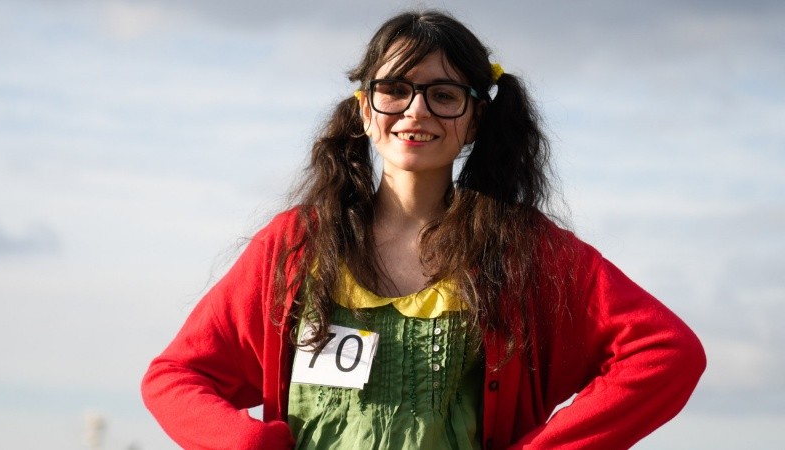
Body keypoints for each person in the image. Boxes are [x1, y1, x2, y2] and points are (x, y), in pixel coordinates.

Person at [141, 10, 706, 450]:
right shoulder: (297, 243)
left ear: (476, 119)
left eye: (443, 94)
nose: (415, 112)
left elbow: (667, 353)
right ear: (365, 109)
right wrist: (246, 442)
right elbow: (174, 377)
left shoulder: (524, 249)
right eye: (395, 90)